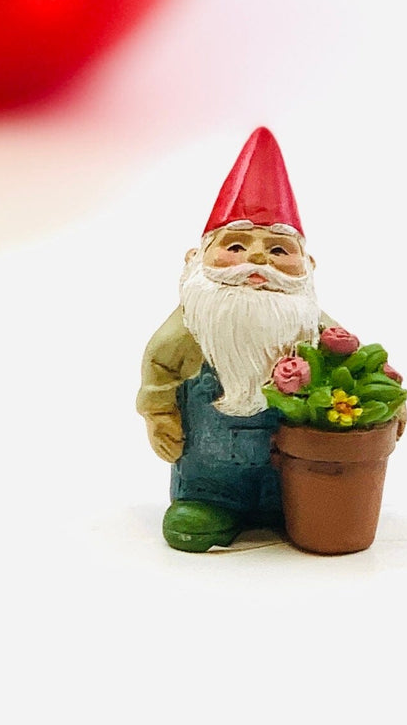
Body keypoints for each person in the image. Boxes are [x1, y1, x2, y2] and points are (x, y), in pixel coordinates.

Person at [137, 127, 346, 552]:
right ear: (196, 259)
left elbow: (351, 364)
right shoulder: (190, 328)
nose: (257, 258)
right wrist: (159, 416)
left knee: (294, 492)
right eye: (235, 246)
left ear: (308, 265)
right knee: (205, 499)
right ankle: (208, 503)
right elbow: (159, 366)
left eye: (278, 250)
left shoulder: (309, 323)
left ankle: (289, 505)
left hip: (287, 466)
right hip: (208, 466)